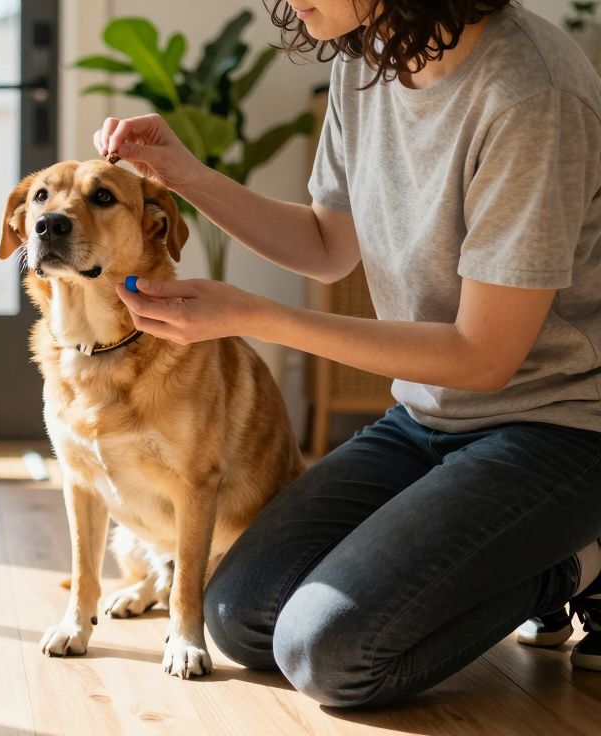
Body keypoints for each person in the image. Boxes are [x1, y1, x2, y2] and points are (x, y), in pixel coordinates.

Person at [97, 0, 601, 708]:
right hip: (427, 419)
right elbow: (328, 247)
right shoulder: (372, 58)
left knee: (330, 653)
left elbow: (484, 357)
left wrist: (254, 316)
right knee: (237, 616)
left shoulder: (530, 94)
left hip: (557, 432)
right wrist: (185, 175)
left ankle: (574, 562)